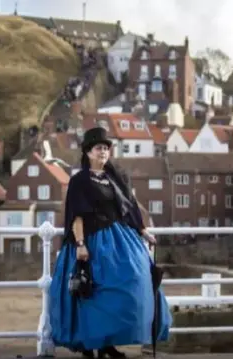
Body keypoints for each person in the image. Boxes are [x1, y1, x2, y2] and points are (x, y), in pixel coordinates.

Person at [49, 127, 171, 358]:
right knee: (94, 293)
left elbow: (129, 207)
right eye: (98, 148)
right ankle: (89, 345)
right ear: (88, 152)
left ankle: (108, 344)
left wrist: (143, 231)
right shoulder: (79, 181)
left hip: (119, 239)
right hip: (92, 242)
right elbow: (77, 215)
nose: (103, 152)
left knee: (134, 281)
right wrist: (81, 244)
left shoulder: (115, 177)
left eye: (106, 148)